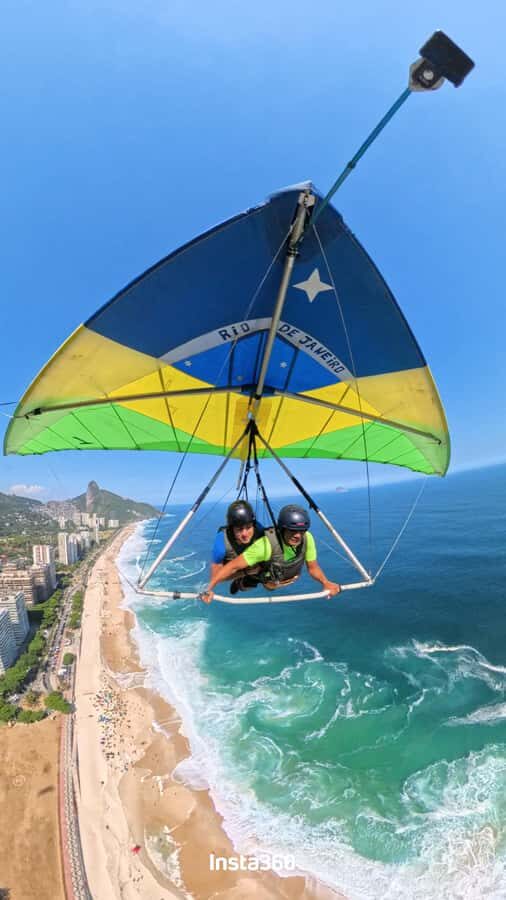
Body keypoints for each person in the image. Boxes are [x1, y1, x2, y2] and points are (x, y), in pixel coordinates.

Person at [201, 503, 340, 602]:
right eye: (292, 531)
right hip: (253, 568)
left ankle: (248, 579)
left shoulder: (307, 538)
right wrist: (209, 588)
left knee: (257, 576)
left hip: (268, 567)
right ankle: (240, 583)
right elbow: (231, 567)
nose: (298, 536)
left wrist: (325, 582)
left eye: (301, 531)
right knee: (249, 582)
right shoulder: (261, 546)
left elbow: (313, 567)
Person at [211, 500, 265, 594]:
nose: (245, 534)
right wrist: (244, 573)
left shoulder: (259, 530)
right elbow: (217, 577)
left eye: (248, 527)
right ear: (231, 528)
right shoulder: (221, 545)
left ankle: (242, 583)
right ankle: (238, 581)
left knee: (255, 580)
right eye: (239, 529)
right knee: (247, 579)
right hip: (232, 564)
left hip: (249, 560)